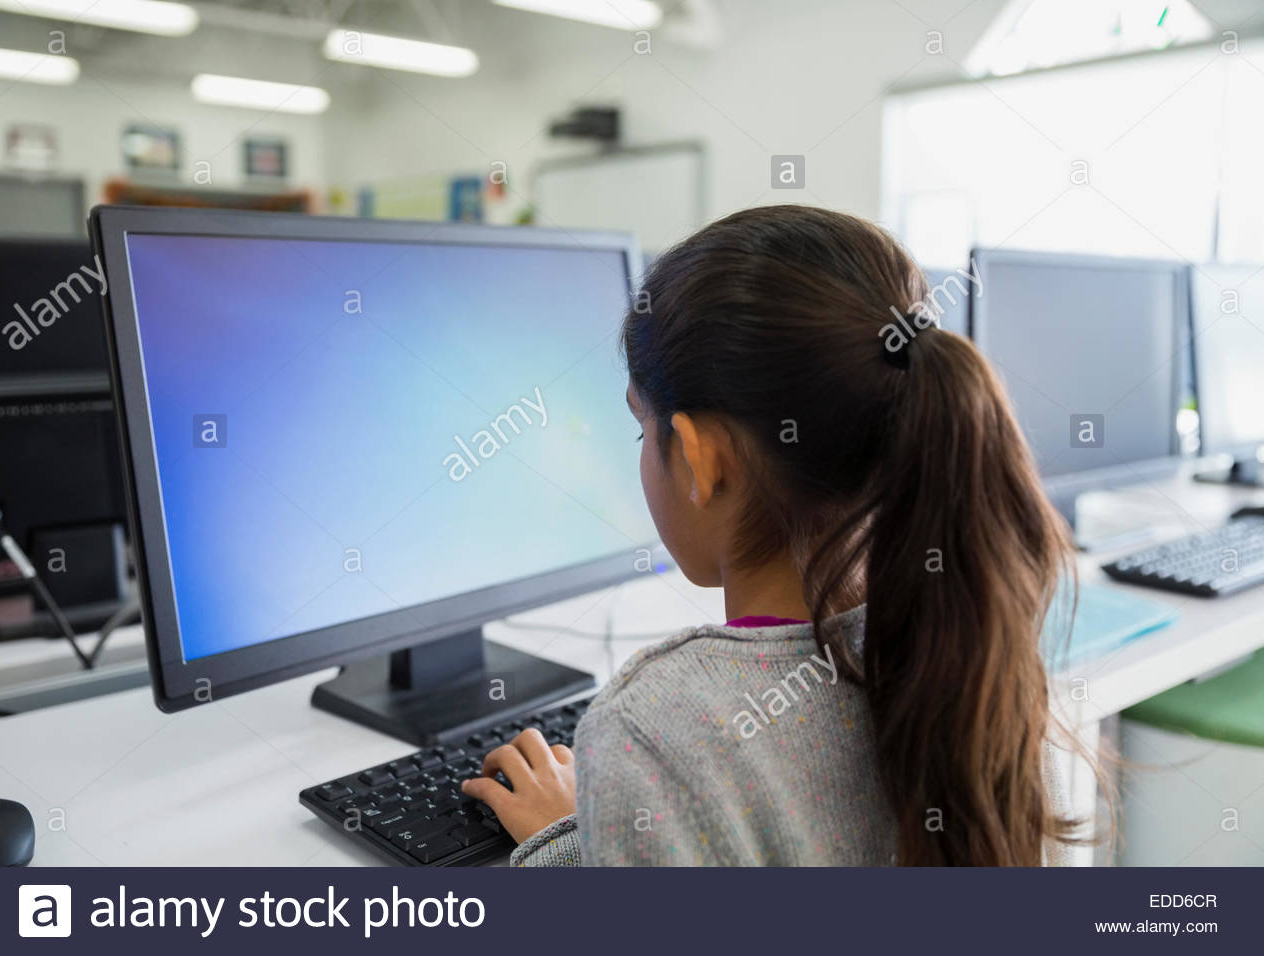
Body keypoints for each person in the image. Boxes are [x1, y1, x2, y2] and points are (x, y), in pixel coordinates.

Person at [461, 204, 1080, 866]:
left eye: (643, 429)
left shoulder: (653, 735)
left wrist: (563, 843)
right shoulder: (985, 658)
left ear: (700, 458)